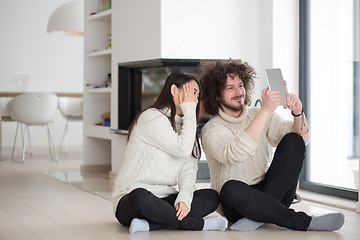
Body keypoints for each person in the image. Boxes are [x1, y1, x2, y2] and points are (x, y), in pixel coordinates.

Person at [199, 60, 345, 232]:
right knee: (230, 188)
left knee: (294, 140)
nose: (239, 92)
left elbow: (302, 138)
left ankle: (257, 216)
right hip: (238, 203)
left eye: (240, 85)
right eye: (230, 88)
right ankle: (301, 221)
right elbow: (235, 154)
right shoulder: (211, 129)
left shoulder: (257, 114)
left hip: (272, 192)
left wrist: (297, 112)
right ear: (216, 94)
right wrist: (265, 111)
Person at [112, 71, 228, 234]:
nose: (195, 99)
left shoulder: (187, 126)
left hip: (164, 199)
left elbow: (188, 172)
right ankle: (198, 224)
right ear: (174, 90)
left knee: (211, 197)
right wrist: (189, 113)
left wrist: (184, 199)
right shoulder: (151, 117)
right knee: (140, 197)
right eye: (192, 92)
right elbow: (182, 150)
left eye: (197, 95)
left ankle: (150, 225)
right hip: (131, 199)